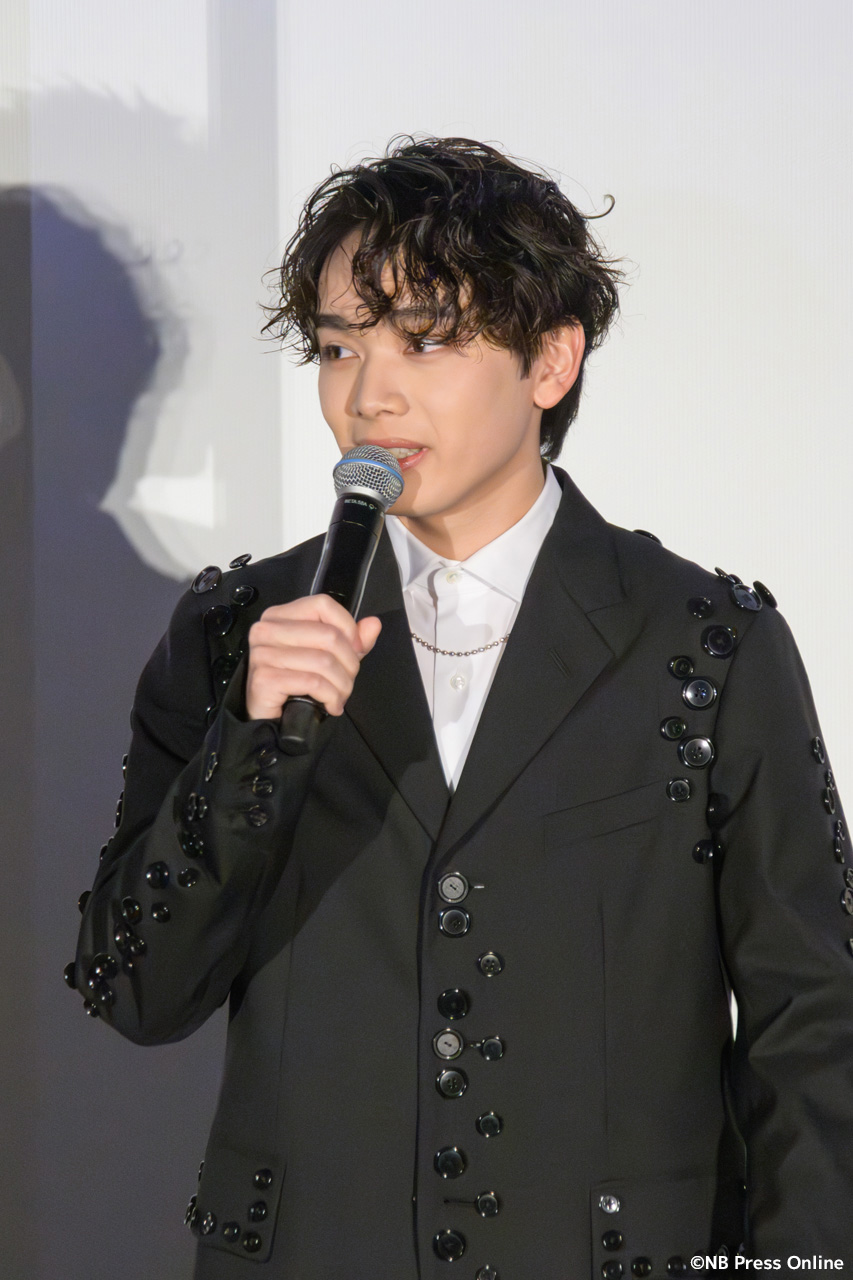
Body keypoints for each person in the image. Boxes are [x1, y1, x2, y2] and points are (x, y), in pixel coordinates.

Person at [70, 136, 853, 1278]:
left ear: (551, 360)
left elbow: (814, 1019)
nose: (367, 394)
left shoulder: (706, 641)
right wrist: (249, 744)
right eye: (339, 347)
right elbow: (134, 989)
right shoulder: (238, 628)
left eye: (426, 339)